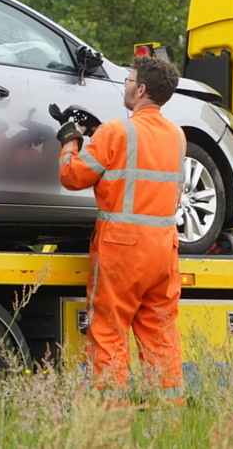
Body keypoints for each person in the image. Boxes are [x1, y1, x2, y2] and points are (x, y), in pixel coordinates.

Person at [57, 55, 186, 402]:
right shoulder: (177, 136)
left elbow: (73, 176)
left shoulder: (117, 130)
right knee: (160, 334)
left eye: (128, 80)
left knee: (110, 330)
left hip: (122, 248)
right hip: (163, 249)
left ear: (141, 89)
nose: (125, 85)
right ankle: (171, 417)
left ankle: (111, 415)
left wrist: (71, 140)